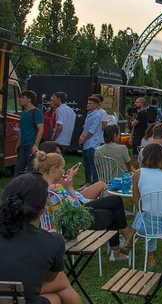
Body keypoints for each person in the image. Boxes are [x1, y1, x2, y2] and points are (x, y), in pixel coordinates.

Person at [0, 173, 83, 304]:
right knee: (61, 282)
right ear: (44, 205)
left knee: (55, 297)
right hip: (23, 298)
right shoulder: (52, 241)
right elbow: (50, 278)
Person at [38, 151, 130, 261]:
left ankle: (120, 248)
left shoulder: (40, 185)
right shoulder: (56, 187)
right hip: (72, 225)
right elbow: (78, 208)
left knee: (114, 203)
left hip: (54, 226)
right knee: (114, 207)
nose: (63, 171)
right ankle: (124, 243)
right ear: (54, 169)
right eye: (62, 168)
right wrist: (70, 187)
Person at [130, 144, 162, 268]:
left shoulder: (138, 174)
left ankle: (148, 255)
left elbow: (136, 201)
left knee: (145, 214)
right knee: (149, 214)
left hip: (149, 226)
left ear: (145, 157)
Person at [15, 90, 44, 176]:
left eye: (23, 97)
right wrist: (17, 145)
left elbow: (40, 129)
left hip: (31, 146)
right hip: (23, 146)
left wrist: (35, 144)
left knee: (33, 171)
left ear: (29, 99)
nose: (20, 99)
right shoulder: (23, 114)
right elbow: (21, 131)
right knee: (18, 170)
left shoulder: (36, 112)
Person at [79, 96, 103, 186]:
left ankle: (95, 183)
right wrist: (81, 136)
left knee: (93, 165)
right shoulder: (89, 114)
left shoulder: (97, 115)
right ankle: (88, 181)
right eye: (88, 103)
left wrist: (84, 139)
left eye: (90, 103)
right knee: (86, 164)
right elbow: (85, 127)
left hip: (92, 143)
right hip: (86, 142)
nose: (88, 105)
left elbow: (92, 130)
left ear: (96, 105)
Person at [131, 97, 148, 168]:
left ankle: (136, 169)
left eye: (137, 102)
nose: (135, 104)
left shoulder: (142, 113)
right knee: (135, 154)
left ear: (142, 103)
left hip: (139, 136)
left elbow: (133, 124)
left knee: (136, 155)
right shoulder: (139, 113)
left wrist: (132, 121)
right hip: (136, 135)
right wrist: (132, 135)